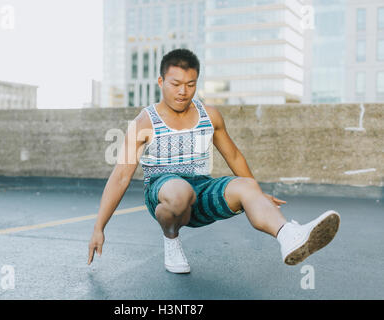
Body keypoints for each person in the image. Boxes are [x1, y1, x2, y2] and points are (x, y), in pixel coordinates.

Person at [87, 49, 340, 273]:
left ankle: (288, 235)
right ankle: (171, 239)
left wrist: (258, 195)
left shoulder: (210, 116)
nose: (183, 92)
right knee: (179, 190)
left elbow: (233, 156)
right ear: (161, 81)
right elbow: (121, 176)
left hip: (200, 188)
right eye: (175, 84)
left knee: (246, 186)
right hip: (163, 194)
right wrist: (100, 226)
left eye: (190, 84)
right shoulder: (145, 122)